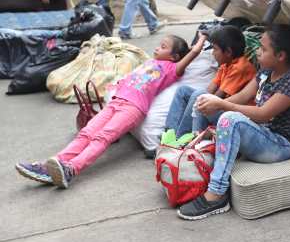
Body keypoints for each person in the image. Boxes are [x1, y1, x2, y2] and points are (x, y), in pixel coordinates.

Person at [15, 33, 208, 189]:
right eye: (159, 44)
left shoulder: (171, 69)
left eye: (164, 47)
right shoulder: (149, 62)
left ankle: (71, 170)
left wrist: (200, 41)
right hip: (116, 103)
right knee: (86, 133)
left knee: (102, 137)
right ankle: (51, 166)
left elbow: (191, 56)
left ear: (174, 57)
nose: (158, 47)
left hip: (133, 108)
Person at [177, 19, 290, 220]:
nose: (257, 51)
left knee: (231, 119)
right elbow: (241, 97)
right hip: (259, 132)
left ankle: (216, 194)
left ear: (281, 56)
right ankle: (195, 154)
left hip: (279, 145)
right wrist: (213, 103)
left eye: (263, 49)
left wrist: (223, 106)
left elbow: (264, 113)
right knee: (203, 99)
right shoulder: (266, 72)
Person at [164, 26, 257, 143]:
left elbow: (218, 97)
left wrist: (201, 98)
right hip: (222, 105)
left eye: (215, 49)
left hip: (234, 113)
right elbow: (210, 89)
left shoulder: (240, 67)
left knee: (200, 95)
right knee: (184, 91)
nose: (213, 53)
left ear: (228, 52)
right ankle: (169, 133)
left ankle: (184, 140)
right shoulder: (225, 65)